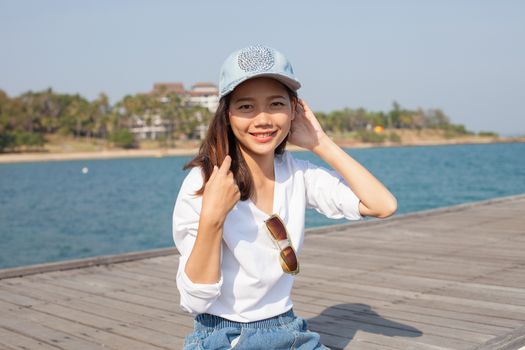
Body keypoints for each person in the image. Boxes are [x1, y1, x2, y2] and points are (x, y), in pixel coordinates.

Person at [172, 44, 397, 349]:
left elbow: (382, 205)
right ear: (227, 115)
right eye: (246, 106)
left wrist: (321, 143)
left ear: (294, 109)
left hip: (290, 330)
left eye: (276, 104)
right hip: (224, 337)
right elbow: (195, 300)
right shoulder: (204, 182)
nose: (263, 119)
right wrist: (212, 218)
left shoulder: (298, 174)